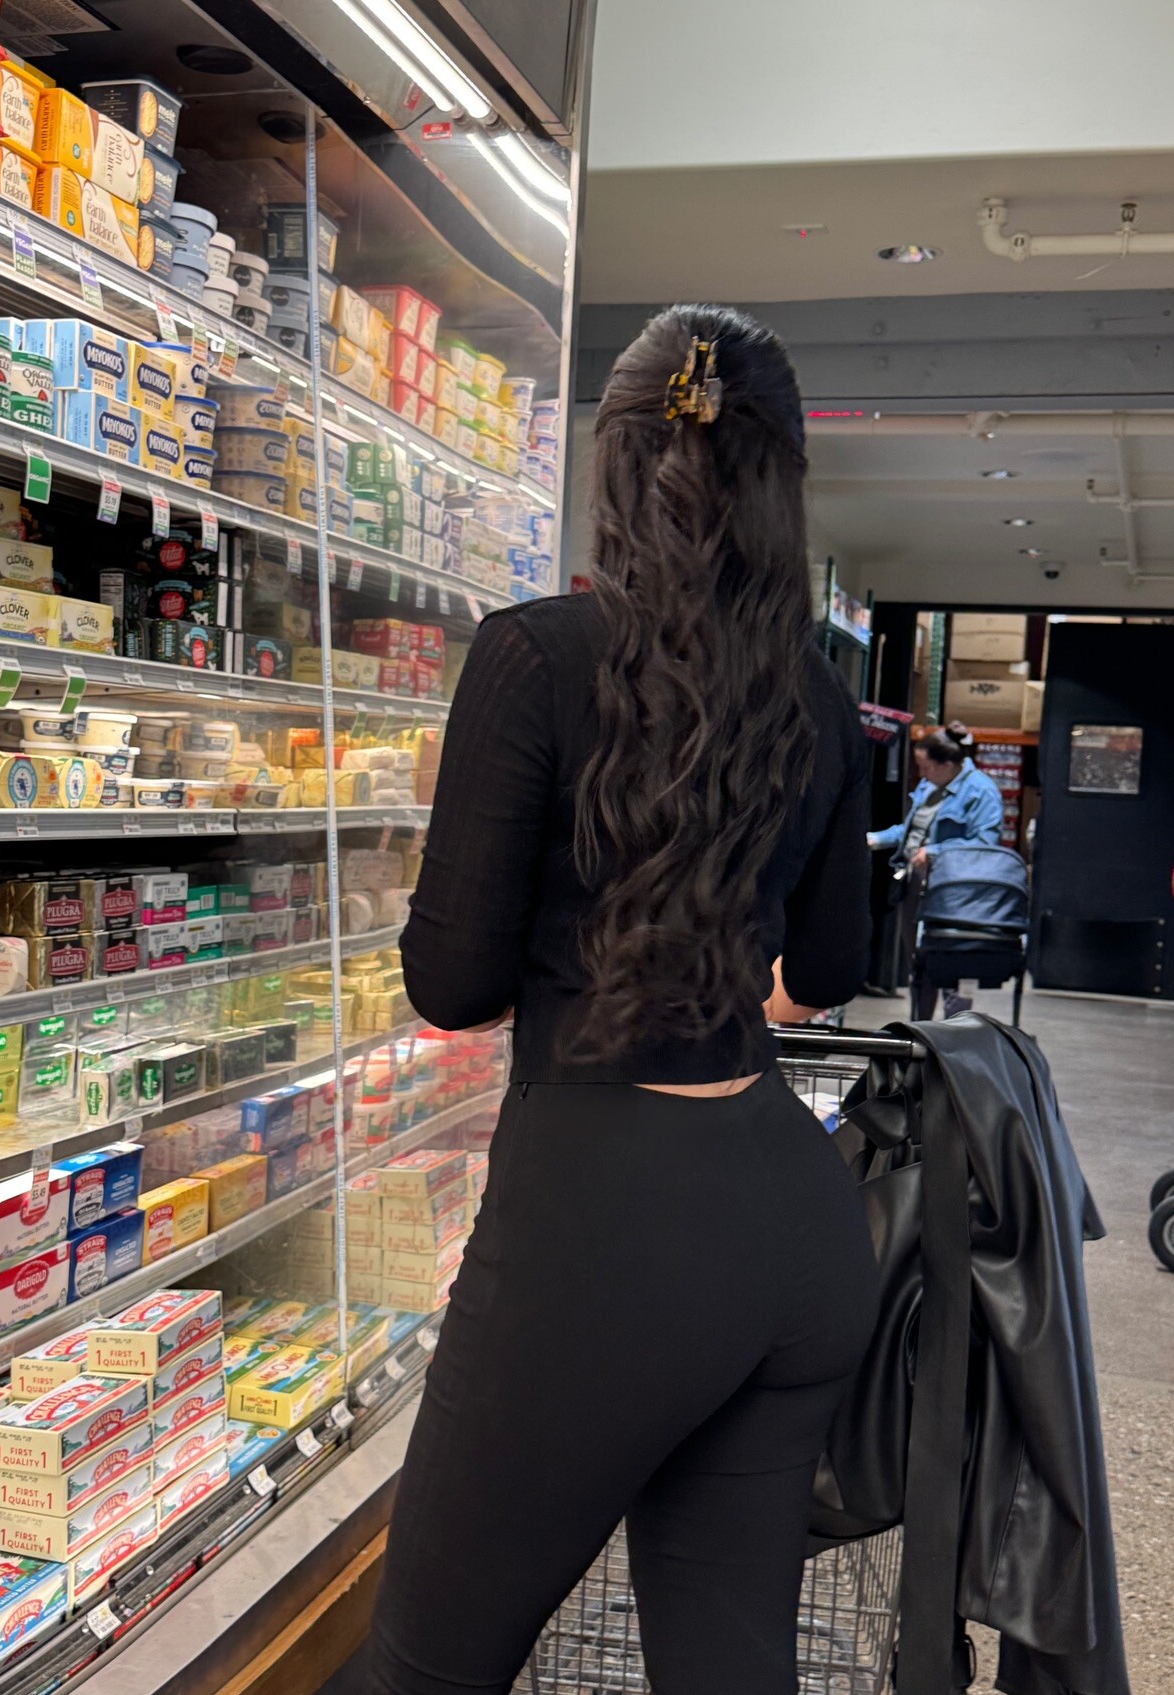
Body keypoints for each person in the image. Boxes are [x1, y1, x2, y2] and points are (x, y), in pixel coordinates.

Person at [365, 307, 881, 1695]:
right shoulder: (824, 700)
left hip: (598, 1232)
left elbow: (453, 983)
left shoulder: (535, 656)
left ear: (616, 460)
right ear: (780, 485)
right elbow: (831, 967)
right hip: (792, 1224)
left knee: (424, 1668)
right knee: (729, 1666)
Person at [867, 723, 1004, 875]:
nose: (922, 774)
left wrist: (934, 852)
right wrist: (876, 839)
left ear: (947, 765)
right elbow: (915, 829)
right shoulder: (929, 784)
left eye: (926, 768)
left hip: (951, 880)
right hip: (914, 875)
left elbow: (985, 844)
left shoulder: (982, 791)